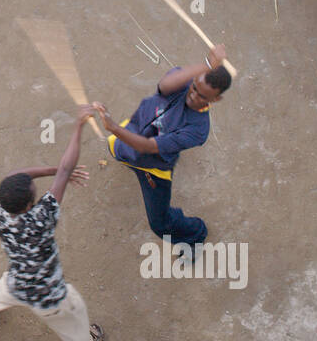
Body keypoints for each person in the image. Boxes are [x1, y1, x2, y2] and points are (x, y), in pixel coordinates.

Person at [0, 107, 104, 341]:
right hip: (50, 297)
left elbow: (16, 177)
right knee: (75, 320)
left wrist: (55, 172)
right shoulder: (41, 219)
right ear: (28, 205)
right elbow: (66, 170)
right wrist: (78, 126)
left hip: (17, 282)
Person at [93, 47, 229, 249]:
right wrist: (208, 65)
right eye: (193, 88)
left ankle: (197, 233)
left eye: (202, 96)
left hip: (153, 168)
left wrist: (113, 127)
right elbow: (165, 85)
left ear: (215, 99)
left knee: (159, 223)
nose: (192, 96)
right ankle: (128, 158)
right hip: (129, 134)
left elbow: (148, 147)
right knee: (116, 150)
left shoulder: (198, 130)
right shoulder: (183, 81)